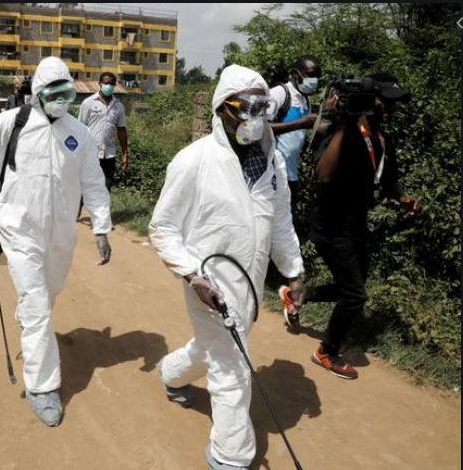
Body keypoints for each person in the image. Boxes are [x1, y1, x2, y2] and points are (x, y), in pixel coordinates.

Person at [149, 64, 305, 470]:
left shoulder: (272, 163)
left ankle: (171, 374)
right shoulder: (193, 161)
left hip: (250, 285)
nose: (256, 117)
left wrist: (293, 271)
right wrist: (192, 274)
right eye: (247, 107)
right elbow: (162, 228)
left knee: (214, 349)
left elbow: (281, 222)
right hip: (208, 283)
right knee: (233, 366)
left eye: (263, 106)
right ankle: (230, 456)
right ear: (223, 109)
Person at [0, 57, 112, 427]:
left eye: (67, 92)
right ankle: (43, 384)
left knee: (49, 291)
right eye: (55, 93)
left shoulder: (78, 132)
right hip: (19, 228)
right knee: (36, 304)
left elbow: (94, 183)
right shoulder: (9, 124)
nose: (62, 100)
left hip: (62, 231)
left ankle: (33, 319)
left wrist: (101, 227)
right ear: (37, 93)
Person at [279, 74, 419, 380]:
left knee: (351, 288)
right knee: (355, 295)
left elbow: (388, 176)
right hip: (330, 225)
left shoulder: (382, 138)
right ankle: (326, 351)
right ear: (371, 101)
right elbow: (324, 173)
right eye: (387, 101)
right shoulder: (341, 131)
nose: (391, 108)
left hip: (355, 224)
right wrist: (343, 125)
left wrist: (401, 197)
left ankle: (295, 296)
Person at [269, 55, 321, 208]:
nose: (315, 80)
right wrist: (301, 123)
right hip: (273, 174)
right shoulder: (279, 94)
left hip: (291, 175)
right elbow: (260, 128)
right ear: (295, 73)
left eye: (317, 76)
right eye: (311, 75)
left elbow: (295, 138)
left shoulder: (305, 100)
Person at [78, 72, 129, 190]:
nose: (108, 86)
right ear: (100, 84)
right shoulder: (88, 103)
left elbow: (121, 130)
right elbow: (79, 128)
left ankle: (101, 209)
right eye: (106, 83)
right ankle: (83, 208)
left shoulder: (118, 106)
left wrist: (125, 153)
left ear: (115, 85)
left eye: (111, 84)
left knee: (106, 188)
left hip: (109, 154)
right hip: (90, 154)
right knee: (87, 189)